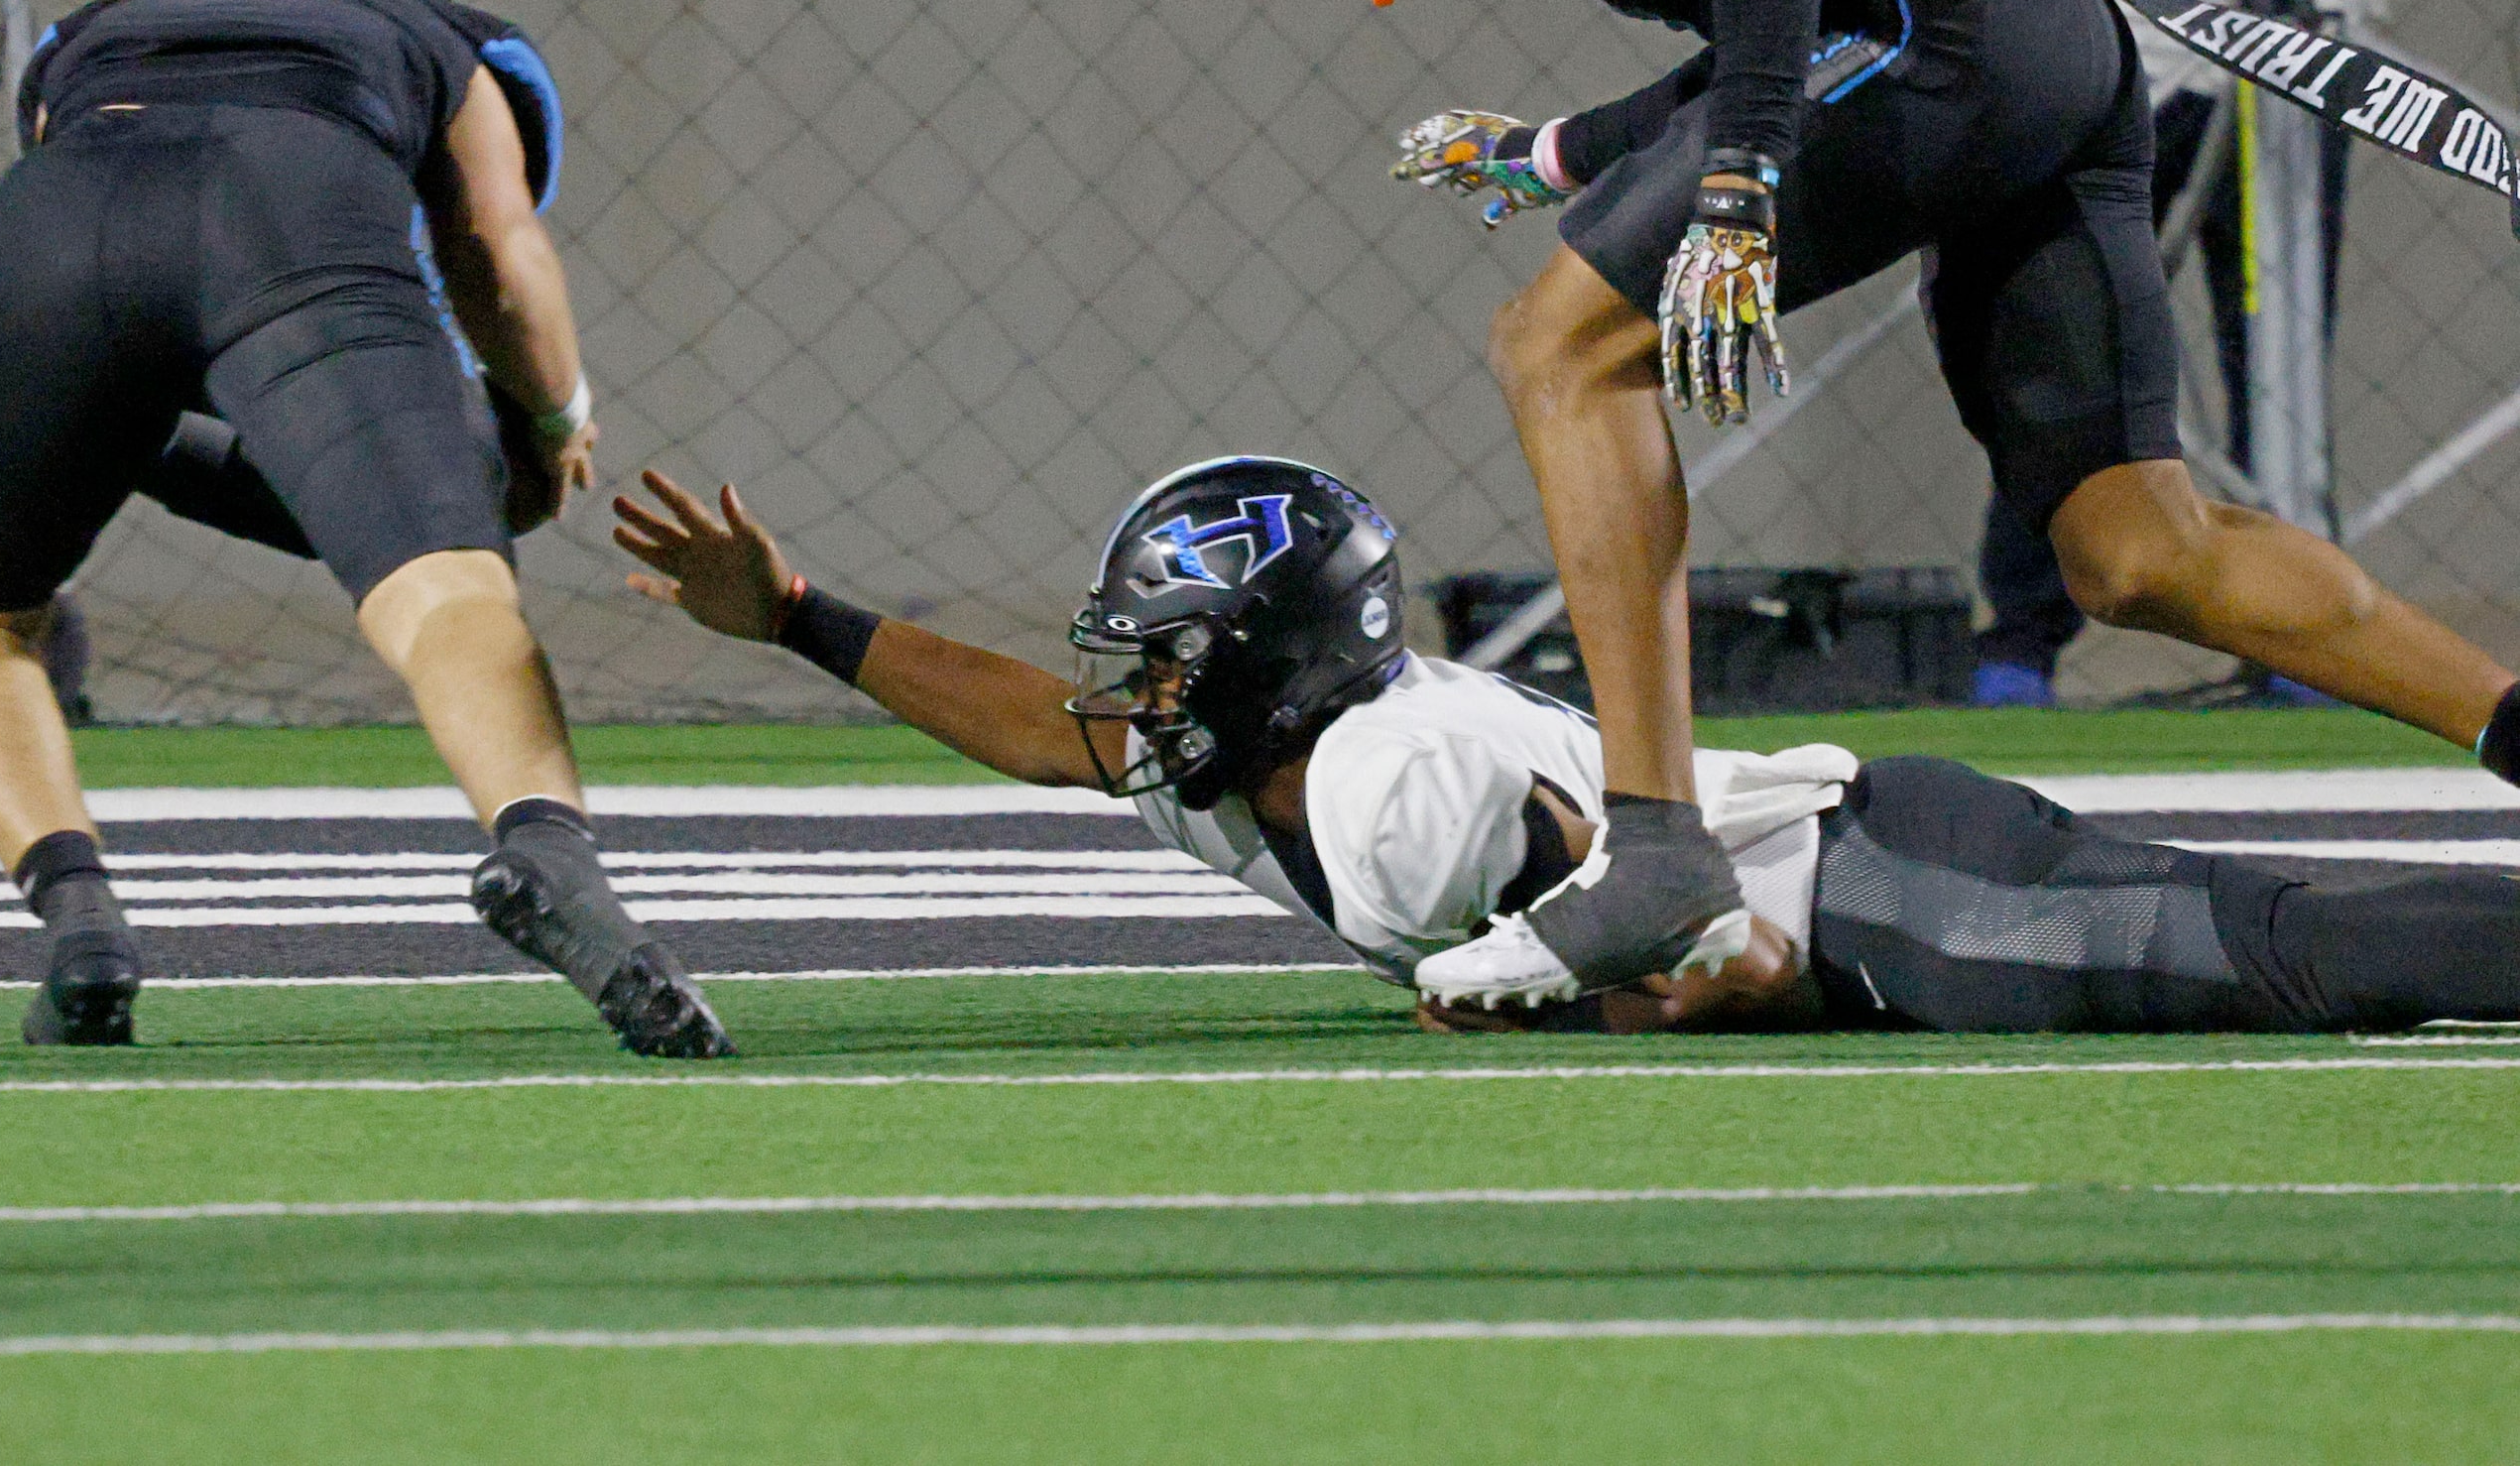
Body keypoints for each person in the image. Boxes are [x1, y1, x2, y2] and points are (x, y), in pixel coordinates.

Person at [1228, 0, 2518, 1003]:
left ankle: (1656, 845)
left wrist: (1738, 187)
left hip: (1946, 38)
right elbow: (1783, 3)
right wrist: (1560, 152)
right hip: (2026, 25)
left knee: (1561, 345)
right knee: (2139, 548)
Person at [612, 453, 2520, 1036]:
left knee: (2271, 954)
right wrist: (798, 615)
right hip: (1862, 883)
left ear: (1270, 665)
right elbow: (1041, 729)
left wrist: (1590, 981)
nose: (1127, 698)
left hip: (1877, 881)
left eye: (1167, 662)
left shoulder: (1376, 774)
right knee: (2262, 941)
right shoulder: (1253, 754)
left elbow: (1692, 942)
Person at [0, 0, 731, 1058]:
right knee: (446, 597)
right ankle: (546, 854)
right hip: (289, 220)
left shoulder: (98, 28)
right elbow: (495, 252)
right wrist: (550, 426)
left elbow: (73, 255)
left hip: (57, 238)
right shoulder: (434, 28)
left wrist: (83, 431)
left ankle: (79, 922)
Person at [1958, 0, 2441, 706]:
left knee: (2279, 354)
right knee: (2067, 339)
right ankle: (2017, 641)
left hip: (2291, 55)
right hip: (2111, 42)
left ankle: (2292, 641)